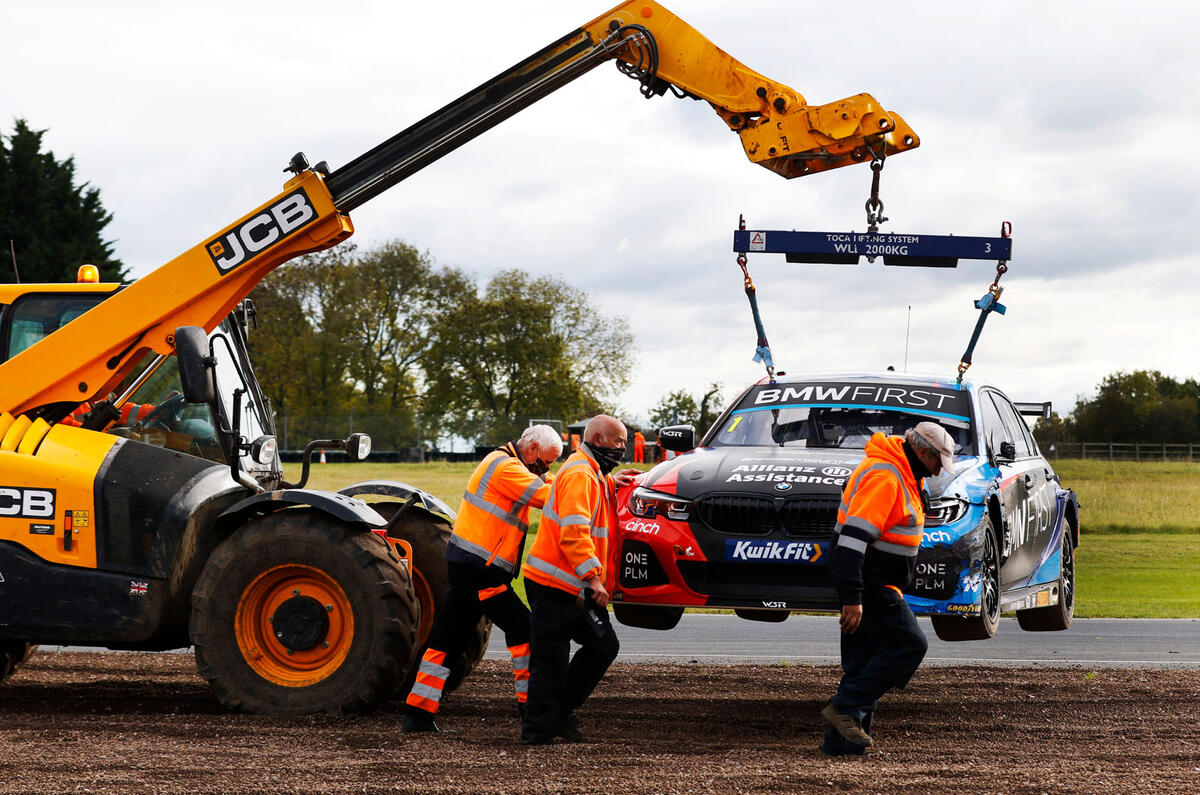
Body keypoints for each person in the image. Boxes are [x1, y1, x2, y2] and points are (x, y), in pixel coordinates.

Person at [402, 424, 563, 733]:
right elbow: (548, 496)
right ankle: (530, 710)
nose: (547, 468)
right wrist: (588, 489)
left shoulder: (511, 462)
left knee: (448, 639)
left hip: (469, 566)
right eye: (546, 461)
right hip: (480, 570)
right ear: (532, 451)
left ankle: (418, 714)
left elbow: (553, 482)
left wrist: (599, 482)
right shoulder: (506, 468)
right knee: (523, 629)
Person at [820, 420, 957, 755]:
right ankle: (843, 707)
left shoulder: (901, 472)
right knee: (910, 644)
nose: (940, 470)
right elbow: (852, 542)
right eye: (938, 461)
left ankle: (840, 749)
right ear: (922, 452)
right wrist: (853, 598)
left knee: (862, 664)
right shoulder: (885, 477)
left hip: (871, 582)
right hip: (871, 583)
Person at [519, 414, 638, 745]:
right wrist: (593, 578)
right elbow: (573, 530)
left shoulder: (591, 473)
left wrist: (614, 482)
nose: (622, 449)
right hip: (557, 583)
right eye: (618, 442)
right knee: (552, 661)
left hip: (567, 584)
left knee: (600, 646)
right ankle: (537, 735)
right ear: (598, 440)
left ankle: (554, 717)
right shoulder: (580, 474)